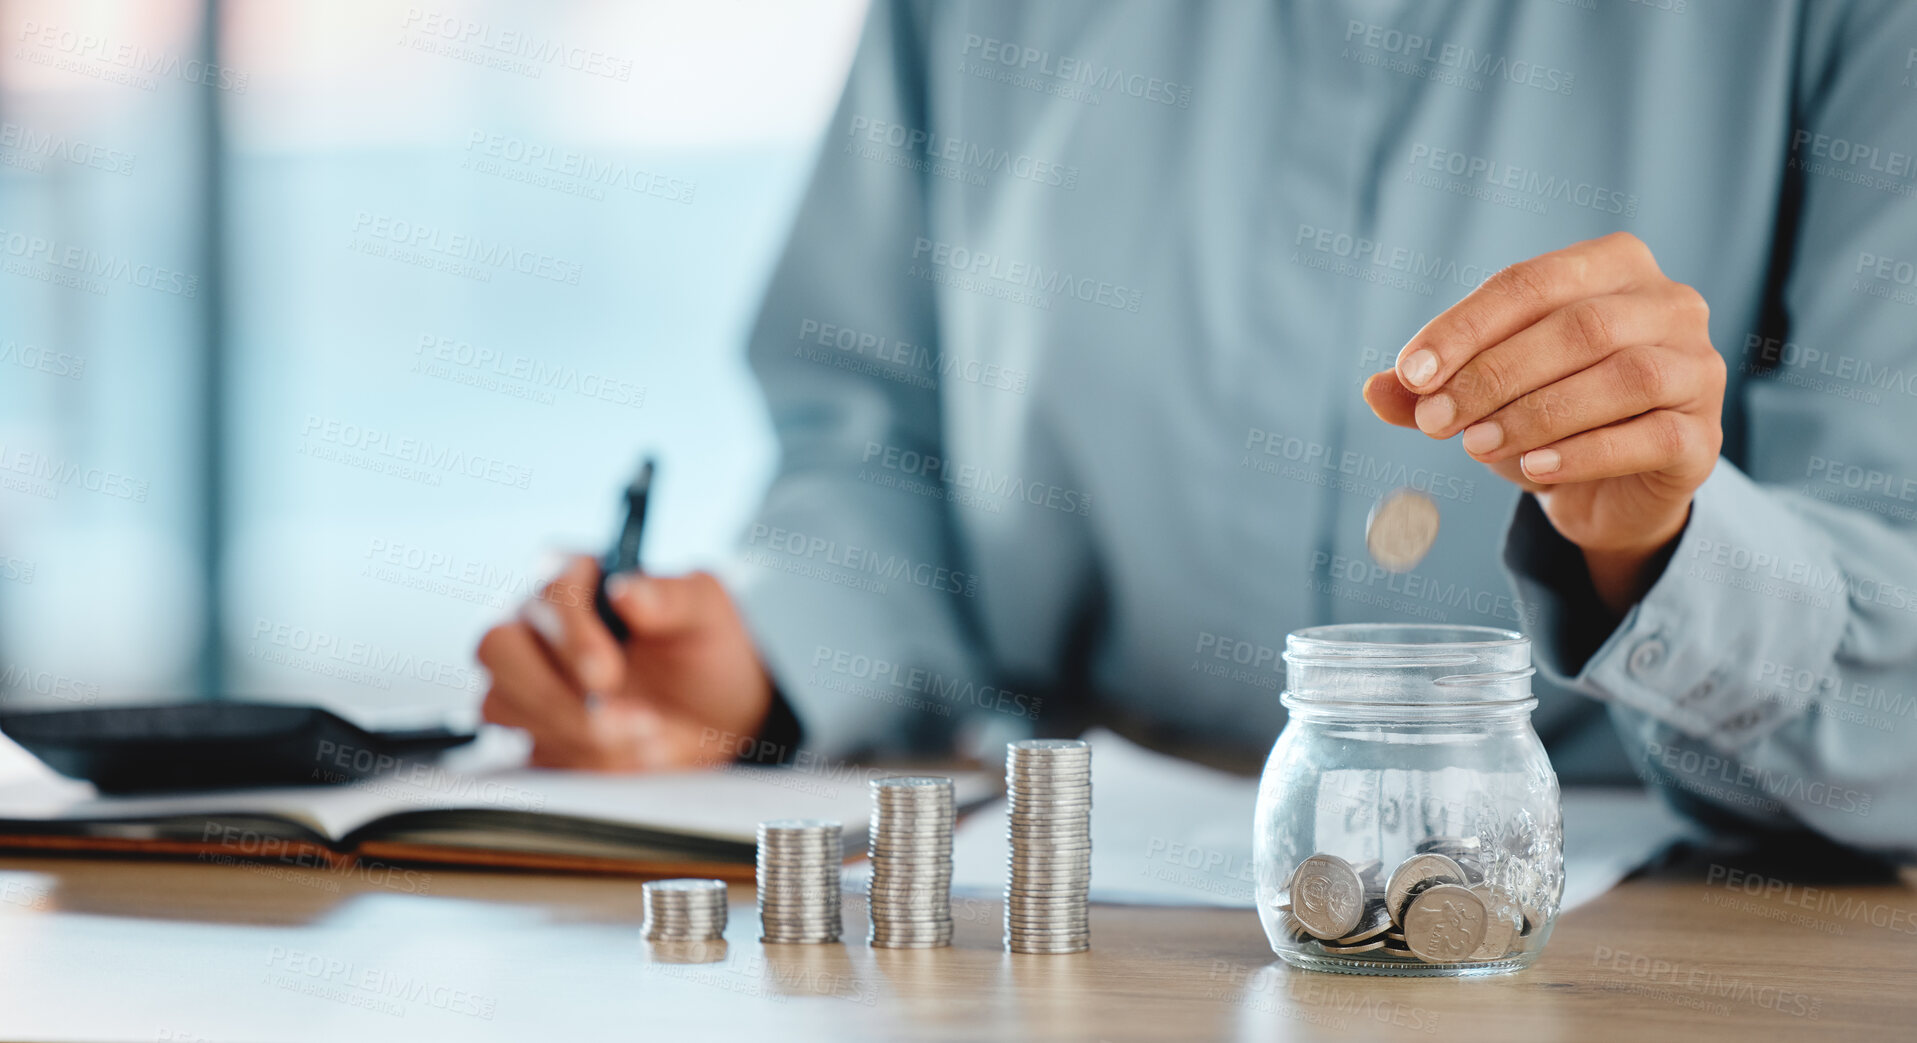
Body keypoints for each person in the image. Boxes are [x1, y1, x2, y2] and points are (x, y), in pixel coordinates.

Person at [477, 1, 1917, 859]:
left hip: (1646, 927)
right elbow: (875, 431)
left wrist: (1659, 546)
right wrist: (769, 666)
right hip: (1073, 912)